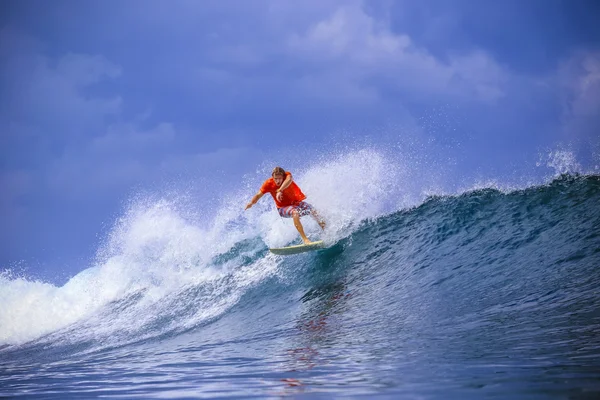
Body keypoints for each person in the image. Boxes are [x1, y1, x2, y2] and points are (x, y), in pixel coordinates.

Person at [245, 166, 326, 244]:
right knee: (295, 213)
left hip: (296, 203)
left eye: (279, 178)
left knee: (313, 211)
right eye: (275, 179)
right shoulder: (268, 184)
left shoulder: (287, 175)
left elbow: (289, 180)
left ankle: (326, 231)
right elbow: (258, 195)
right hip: (282, 208)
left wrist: (280, 190)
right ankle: (305, 240)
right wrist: (251, 203)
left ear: (283, 176)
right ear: (272, 177)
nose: (277, 181)